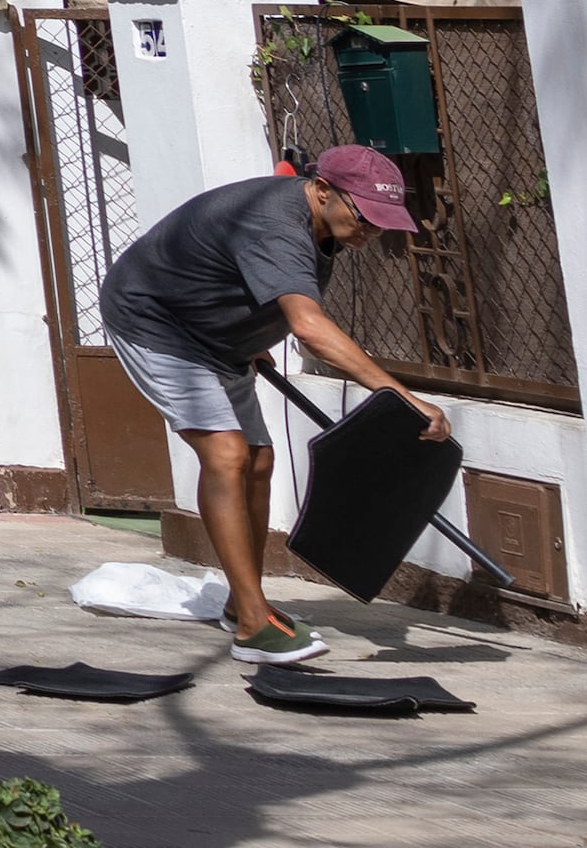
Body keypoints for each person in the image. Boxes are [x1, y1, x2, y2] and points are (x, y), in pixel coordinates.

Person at [96, 145, 440, 663]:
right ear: (323, 190)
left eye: (384, 220)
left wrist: (248, 332)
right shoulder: (276, 224)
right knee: (227, 456)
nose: (374, 230)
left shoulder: (316, 218)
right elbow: (307, 325)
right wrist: (399, 395)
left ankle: (242, 602)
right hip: (156, 326)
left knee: (259, 461)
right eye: (365, 215)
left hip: (216, 336)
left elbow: (233, 273)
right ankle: (254, 626)